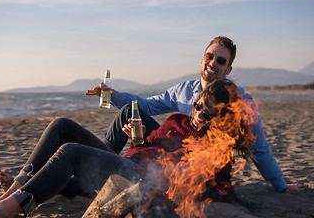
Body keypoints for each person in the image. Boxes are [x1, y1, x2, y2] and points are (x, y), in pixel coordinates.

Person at [0, 79, 247, 218]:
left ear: (222, 118)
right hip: (129, 163)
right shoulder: (178, 119)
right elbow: (148, 147)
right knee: (61, 125)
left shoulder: (216, 148)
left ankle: (9, 209)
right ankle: (18, 188)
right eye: (198, 107)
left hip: (141, 181)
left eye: (209, 114)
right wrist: (138, 141)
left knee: (71, 152)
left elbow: (224, 189)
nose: (199, 115)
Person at [86, 36, 303, 193]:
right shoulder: (184, 90)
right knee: (128, 112)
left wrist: (281, 187)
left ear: (228, 70)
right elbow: (146, 106)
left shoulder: (240, 101)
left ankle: (94, 167)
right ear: (202, 59)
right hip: (172, 147)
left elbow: (260, 148)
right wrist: (112, 94)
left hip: (193, 166)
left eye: (220, 61)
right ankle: (98, 164)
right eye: (210, 56)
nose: (213, 63)